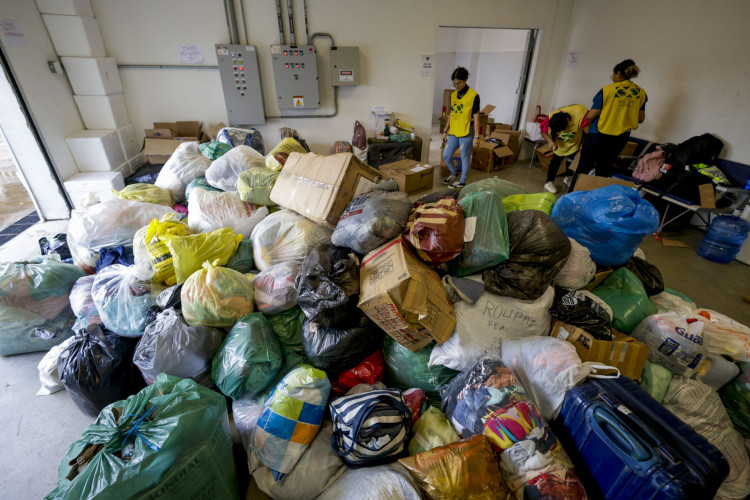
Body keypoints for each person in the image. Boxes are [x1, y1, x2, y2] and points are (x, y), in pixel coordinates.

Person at [568, 59, 647, 191]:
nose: (613, 78)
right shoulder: (641, 93)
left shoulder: (608, 90)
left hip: (598, 135)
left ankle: (571, 198)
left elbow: (592, 115)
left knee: (583, 168)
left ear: (618, 74)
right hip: (619, 139)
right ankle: (597, 202)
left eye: (613, 75)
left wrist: (586, 117)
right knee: (603, 171)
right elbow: (640, 118)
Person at [442, 67, 481, 189]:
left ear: (466, 79)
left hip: (467, 132)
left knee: (464, 156)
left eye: (459, 83)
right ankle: (454, 173)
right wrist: (445, 131)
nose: (456, 86)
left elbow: (477, 117)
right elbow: (452, 114)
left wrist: (476, 136)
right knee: (446, 155)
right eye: (454, 84)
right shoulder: (453, 95)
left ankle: (462, 181)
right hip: (454, 131)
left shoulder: (473, 96)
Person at [539, 104, 589, 193]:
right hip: (560, 145)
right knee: (556, 161)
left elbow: (588, 132)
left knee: (572, 161)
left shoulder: (579, 113)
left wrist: (583, 145)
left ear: (567, 120)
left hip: (574, 143)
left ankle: (568, 178)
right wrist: (550, 141)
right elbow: (543, 132)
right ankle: (549, 182)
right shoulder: (550, 119)